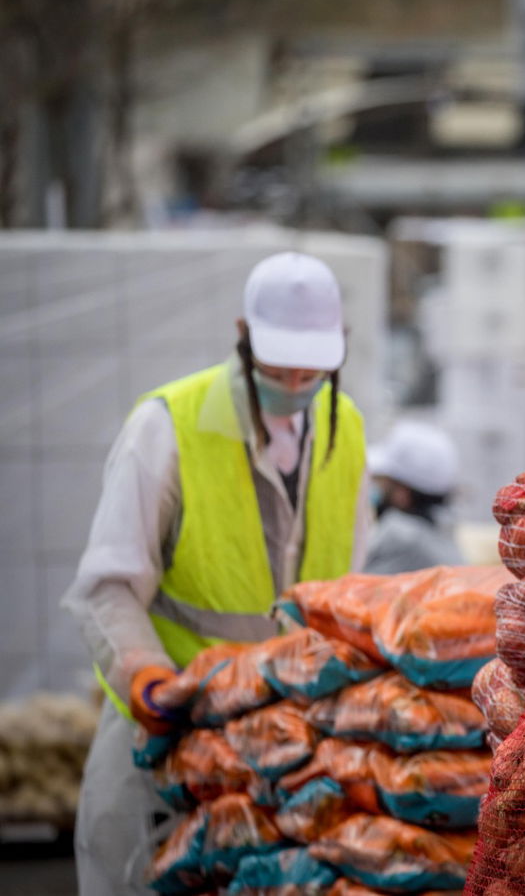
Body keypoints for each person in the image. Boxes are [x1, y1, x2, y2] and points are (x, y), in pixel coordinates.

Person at [63, 252, 372, 895]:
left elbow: (350, 589)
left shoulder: (345, 431)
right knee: (139, 873)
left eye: (311, 370)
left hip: (281, 738)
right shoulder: (168, 426)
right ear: (243, 336)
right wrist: (142, 674)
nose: (295, 381)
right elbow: (107, 585)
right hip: (169, 727)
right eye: (277, 368)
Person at [363, 419, 465, 574]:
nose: (375, 488)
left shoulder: (400, 537)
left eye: (382, 482)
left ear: (402, 495)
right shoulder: (444, 536)